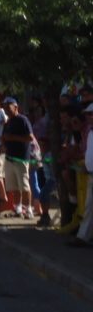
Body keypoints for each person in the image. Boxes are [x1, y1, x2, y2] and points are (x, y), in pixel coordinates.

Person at [0, 97, 35, 220]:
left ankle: (28, 209)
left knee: (24, 186)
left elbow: (30, 138)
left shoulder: (23, 120)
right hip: (9, 157)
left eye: (8, 107)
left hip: (21, 158)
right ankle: (17, 208)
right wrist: (3, 143)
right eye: (5, 108)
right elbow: (4, 137)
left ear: (16, 107)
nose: (7, 110)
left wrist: (13, 138)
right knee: (14, 187)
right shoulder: (8, 122)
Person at [70, 102, 93, 246]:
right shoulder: (90, 132)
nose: (89, 117)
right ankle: (83, 237)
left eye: (91, 114)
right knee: (89, 206)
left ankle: (83, 237)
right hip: (90, 173)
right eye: (88, 114)